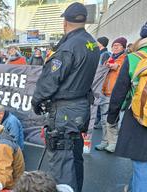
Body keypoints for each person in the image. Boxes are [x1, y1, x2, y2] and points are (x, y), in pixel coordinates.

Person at [31, 3, 100, 192]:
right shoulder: (91, 43)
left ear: (64, 22)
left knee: (62, 164)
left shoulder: (68, 47)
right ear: (85, 20)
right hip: (80, 108)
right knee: (75, 158)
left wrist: (36, 102)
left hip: (65, 112)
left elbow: (48, 82)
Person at [107, 20, 147, 192]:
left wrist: (112, 117)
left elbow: (119, 93)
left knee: (142, 166)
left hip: (139, 119)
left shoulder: (134, 58)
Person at [95, 37, 127, 153]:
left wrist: (117, 68)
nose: (116, 47)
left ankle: (114, 143)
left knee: (112, 120)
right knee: (104, 120)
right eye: (114, 45)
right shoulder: (108, 58)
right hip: (104, 94)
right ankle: (105, 141)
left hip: (116, 95)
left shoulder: (125, 60)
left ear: (124, 47)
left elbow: (127, 75)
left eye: (119, 45)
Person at [94, 36, 111, 129]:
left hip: (100, 80)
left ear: (101, 43)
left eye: (98, 42)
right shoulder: (101, 53)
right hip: (98, 79)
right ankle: (98, 119)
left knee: (100, 100)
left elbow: (103, 68)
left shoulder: (105, 54)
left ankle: (99, 119)